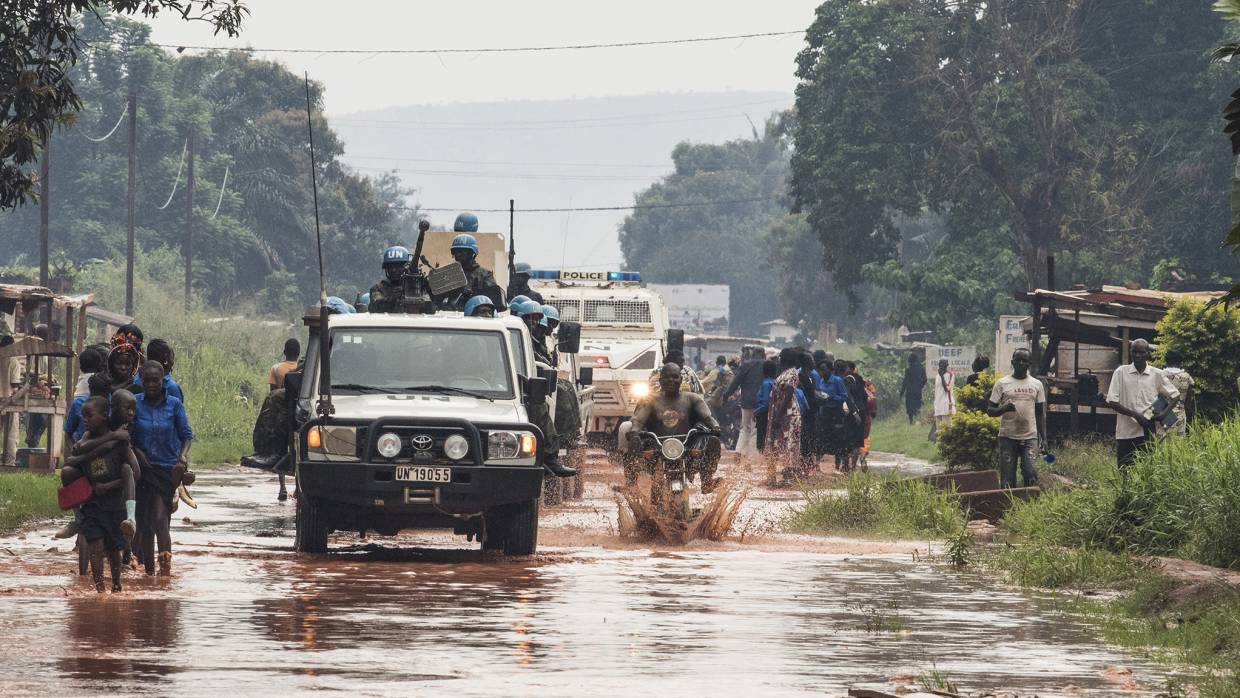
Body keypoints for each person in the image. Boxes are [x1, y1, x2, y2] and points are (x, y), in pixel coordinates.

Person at [61, 396, 138, 593]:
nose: (85, 420)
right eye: (83, 416)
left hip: (115, 505)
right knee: (95, 546)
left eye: (89, 416)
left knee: (113, 550)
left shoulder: (121, 443)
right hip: (93, 505)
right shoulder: (87, 439)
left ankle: (117, 586)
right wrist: (110, 441)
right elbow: (73, 458)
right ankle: (100, 592)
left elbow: (136, 472)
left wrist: (111, 485)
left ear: (104, 416)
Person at [132, 360, 194, 576]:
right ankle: (149, 572)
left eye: (155, 380)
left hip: (167, 469)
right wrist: (137, 453)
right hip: (141, 470)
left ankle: (166, 571)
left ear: (162, 381)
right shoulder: (135, 403)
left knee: (160, 518)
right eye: (146, 380)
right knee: (144, 523)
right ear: (141, 380)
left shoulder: (174, 404)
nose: (150, 385)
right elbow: (126, 434)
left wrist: (182, 458)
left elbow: (187, 435)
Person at [627, 363, 723, 493]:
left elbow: (708, 418)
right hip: (656, 447)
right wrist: (634, 431)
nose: (671, 380)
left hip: (687, 447)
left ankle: (706, 480)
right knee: (634, 443)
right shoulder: (649, 399)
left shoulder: (692, 398)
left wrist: (715, 426)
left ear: (681, 380)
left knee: (713, 441)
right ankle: (631, 485)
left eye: (675, 377)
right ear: (660, 380)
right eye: (667, 377)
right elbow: (638, 421)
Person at [513, 300, 575, 478]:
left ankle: (561, 442)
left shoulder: (528, 337)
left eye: (535, 319)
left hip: (522, 383)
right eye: (529, 319)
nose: (533, 323)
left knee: (546, 398)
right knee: (539, 405)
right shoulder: (511, 333)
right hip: (508, 385)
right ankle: (551, 453)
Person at [1106, 339, 1178, 469]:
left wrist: (1163, 414)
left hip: (1147, 430)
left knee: (1147, 470)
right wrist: (1135, 415)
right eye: (1134, 352)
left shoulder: (1157, 374)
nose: (1138, 355)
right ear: (1130, 352)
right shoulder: (1121, 372)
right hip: (1125, 431)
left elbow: (1175, 395)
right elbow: (1112, 401)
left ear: (1148, 354)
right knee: (1124, 469)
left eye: (1141, 352)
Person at [986, 348, 1046, 488]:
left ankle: (1030, 505)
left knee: (1030, 473)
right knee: (1007, 479)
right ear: (1012, 362)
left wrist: (1044, 439)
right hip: (1007, 437)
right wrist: (1004, 408)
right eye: (1017, 360)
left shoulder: (1037, 384)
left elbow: (1040, 414)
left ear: (1029, 364)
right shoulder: (1002, 383)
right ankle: (1008, 507)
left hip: (1030, 436)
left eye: (1024, 360)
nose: (1020, 363)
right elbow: (990, 410)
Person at [765, 349, 806, 484]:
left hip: (788, 414)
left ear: (785, 359)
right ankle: (772, 476)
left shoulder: (792, 373)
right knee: (775, 442)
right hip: (778, 412)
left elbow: (788, 395)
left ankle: (788, 477)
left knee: (789, 444)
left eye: (780, 358)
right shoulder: (784, 373)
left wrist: (778, 415)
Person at [721, 349, 764, 459]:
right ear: (763, 355)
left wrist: (726, 395)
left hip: (746, 401)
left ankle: (739, 451)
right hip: (760, 403)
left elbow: (736, 382)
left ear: (752, 355)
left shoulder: (746, 365)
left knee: (744, 428)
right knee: (755, 430)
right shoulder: (767, 365)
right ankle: (750, 457)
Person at [448, 233, 505, 310]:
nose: (458, 255)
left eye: (462, 251)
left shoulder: (484, 275)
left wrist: (472, 294)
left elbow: (492, 299)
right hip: (449, 314)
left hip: (475, 315)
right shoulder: (449, 274)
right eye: (456, 251)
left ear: (471, 253)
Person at [136, 339, 185, 403]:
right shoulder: (171, 387)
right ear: (166, 359)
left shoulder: (136, 379)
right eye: (172, 357)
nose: (173, 361)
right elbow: (177, 410)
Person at [368, 246, 412, 313]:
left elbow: (431, 309)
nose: (394, 270)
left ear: (407, 267)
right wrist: (392, 298)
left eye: (398, 266)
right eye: (390, 266)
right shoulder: (378, 288)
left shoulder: (417, 286)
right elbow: (376, 308)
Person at [1161, 350, 1194, 435]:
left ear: (1166, 361)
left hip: (1163, 415)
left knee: (1161, 444)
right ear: (1180, 362)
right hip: (1180, 416)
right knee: (1178, 444)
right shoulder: (1187, 377)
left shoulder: (1160, 375)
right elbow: (1188, 403)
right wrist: (1190, 420)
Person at [754, 360, 778, 451]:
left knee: (761, 442)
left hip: (764, 415)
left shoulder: (765, 384)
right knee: (771, 439)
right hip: (773, 414)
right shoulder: (775, 382)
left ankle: (763, 461)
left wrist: (756, 412)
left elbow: (766, 403)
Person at [929, 358, 955, 440]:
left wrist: (942, 376)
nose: (941, 366)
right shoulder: (937, 376)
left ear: (947, 365)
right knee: (939, 431)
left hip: (947, 404)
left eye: (943, 364)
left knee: (947, 429)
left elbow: (947, 389)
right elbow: (937, 390)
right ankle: (940, 448)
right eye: (940, 364)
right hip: (938, 405)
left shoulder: (950, 374)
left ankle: (948, 446)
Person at [899, 353, 927, 425]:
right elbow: (925, 379)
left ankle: (911, 421)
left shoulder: (908, 369)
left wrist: (901, 393)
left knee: (909, 406)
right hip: (918, 390)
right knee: (917, 405)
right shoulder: (921, 368)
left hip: (910, 391)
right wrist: (920, 386)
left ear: (910, 361)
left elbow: (905, 382)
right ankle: (918, 419)